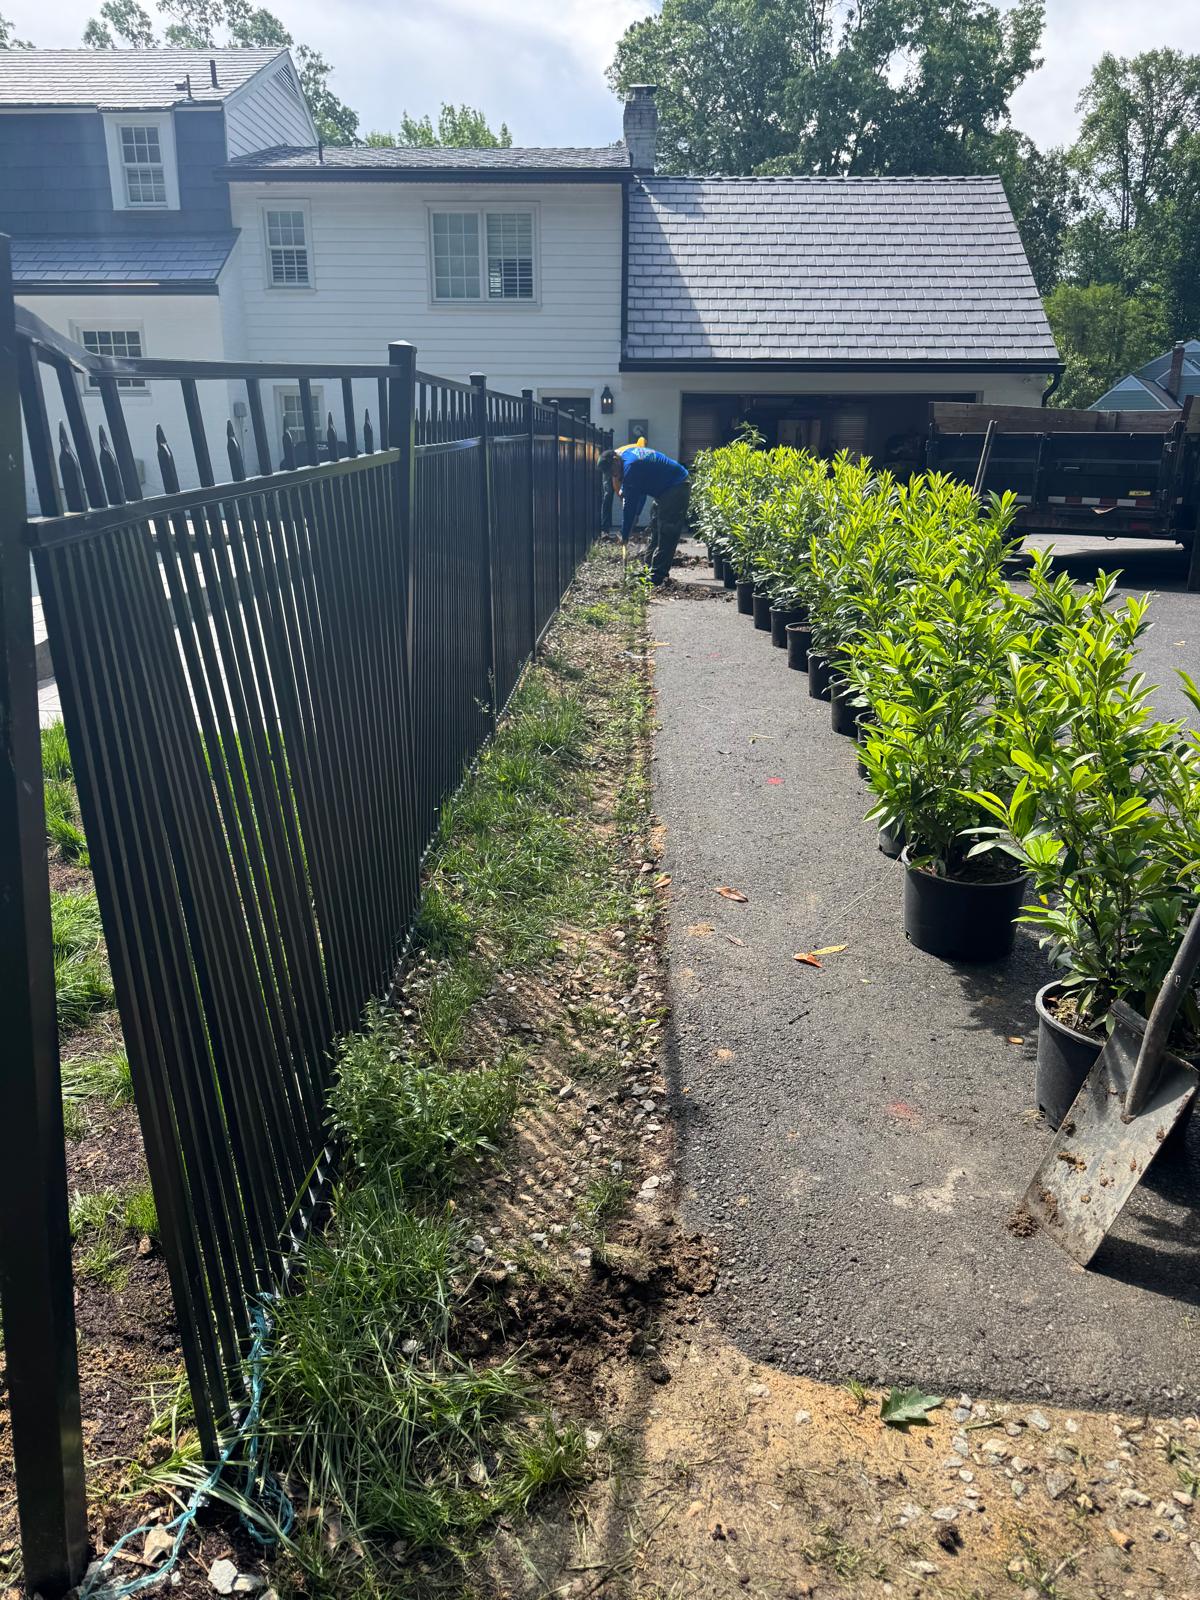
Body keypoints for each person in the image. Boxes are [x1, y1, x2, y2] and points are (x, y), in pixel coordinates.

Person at [599, 444, 691, 586]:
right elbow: (637, 493)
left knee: (667, 530)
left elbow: (630, 506)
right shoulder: (626, 456)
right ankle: (649, 570)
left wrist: (625, 534)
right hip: (664, 489)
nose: (614, 476)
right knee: (655, 528)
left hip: (676, 485)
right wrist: (633, 514)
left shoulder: (631, 466)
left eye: (613, 472)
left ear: (615, 460)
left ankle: (658, 575)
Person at [599, 437, 646, 538]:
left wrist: (636, 513)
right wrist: (623, 500)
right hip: (611, 462)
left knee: (635, 493)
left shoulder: (637, 461)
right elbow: (617, 484)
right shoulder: (624, 463)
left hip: (618, 464)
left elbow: (641, 492)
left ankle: (626, 526)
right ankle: (604, 529)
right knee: (608, 495)